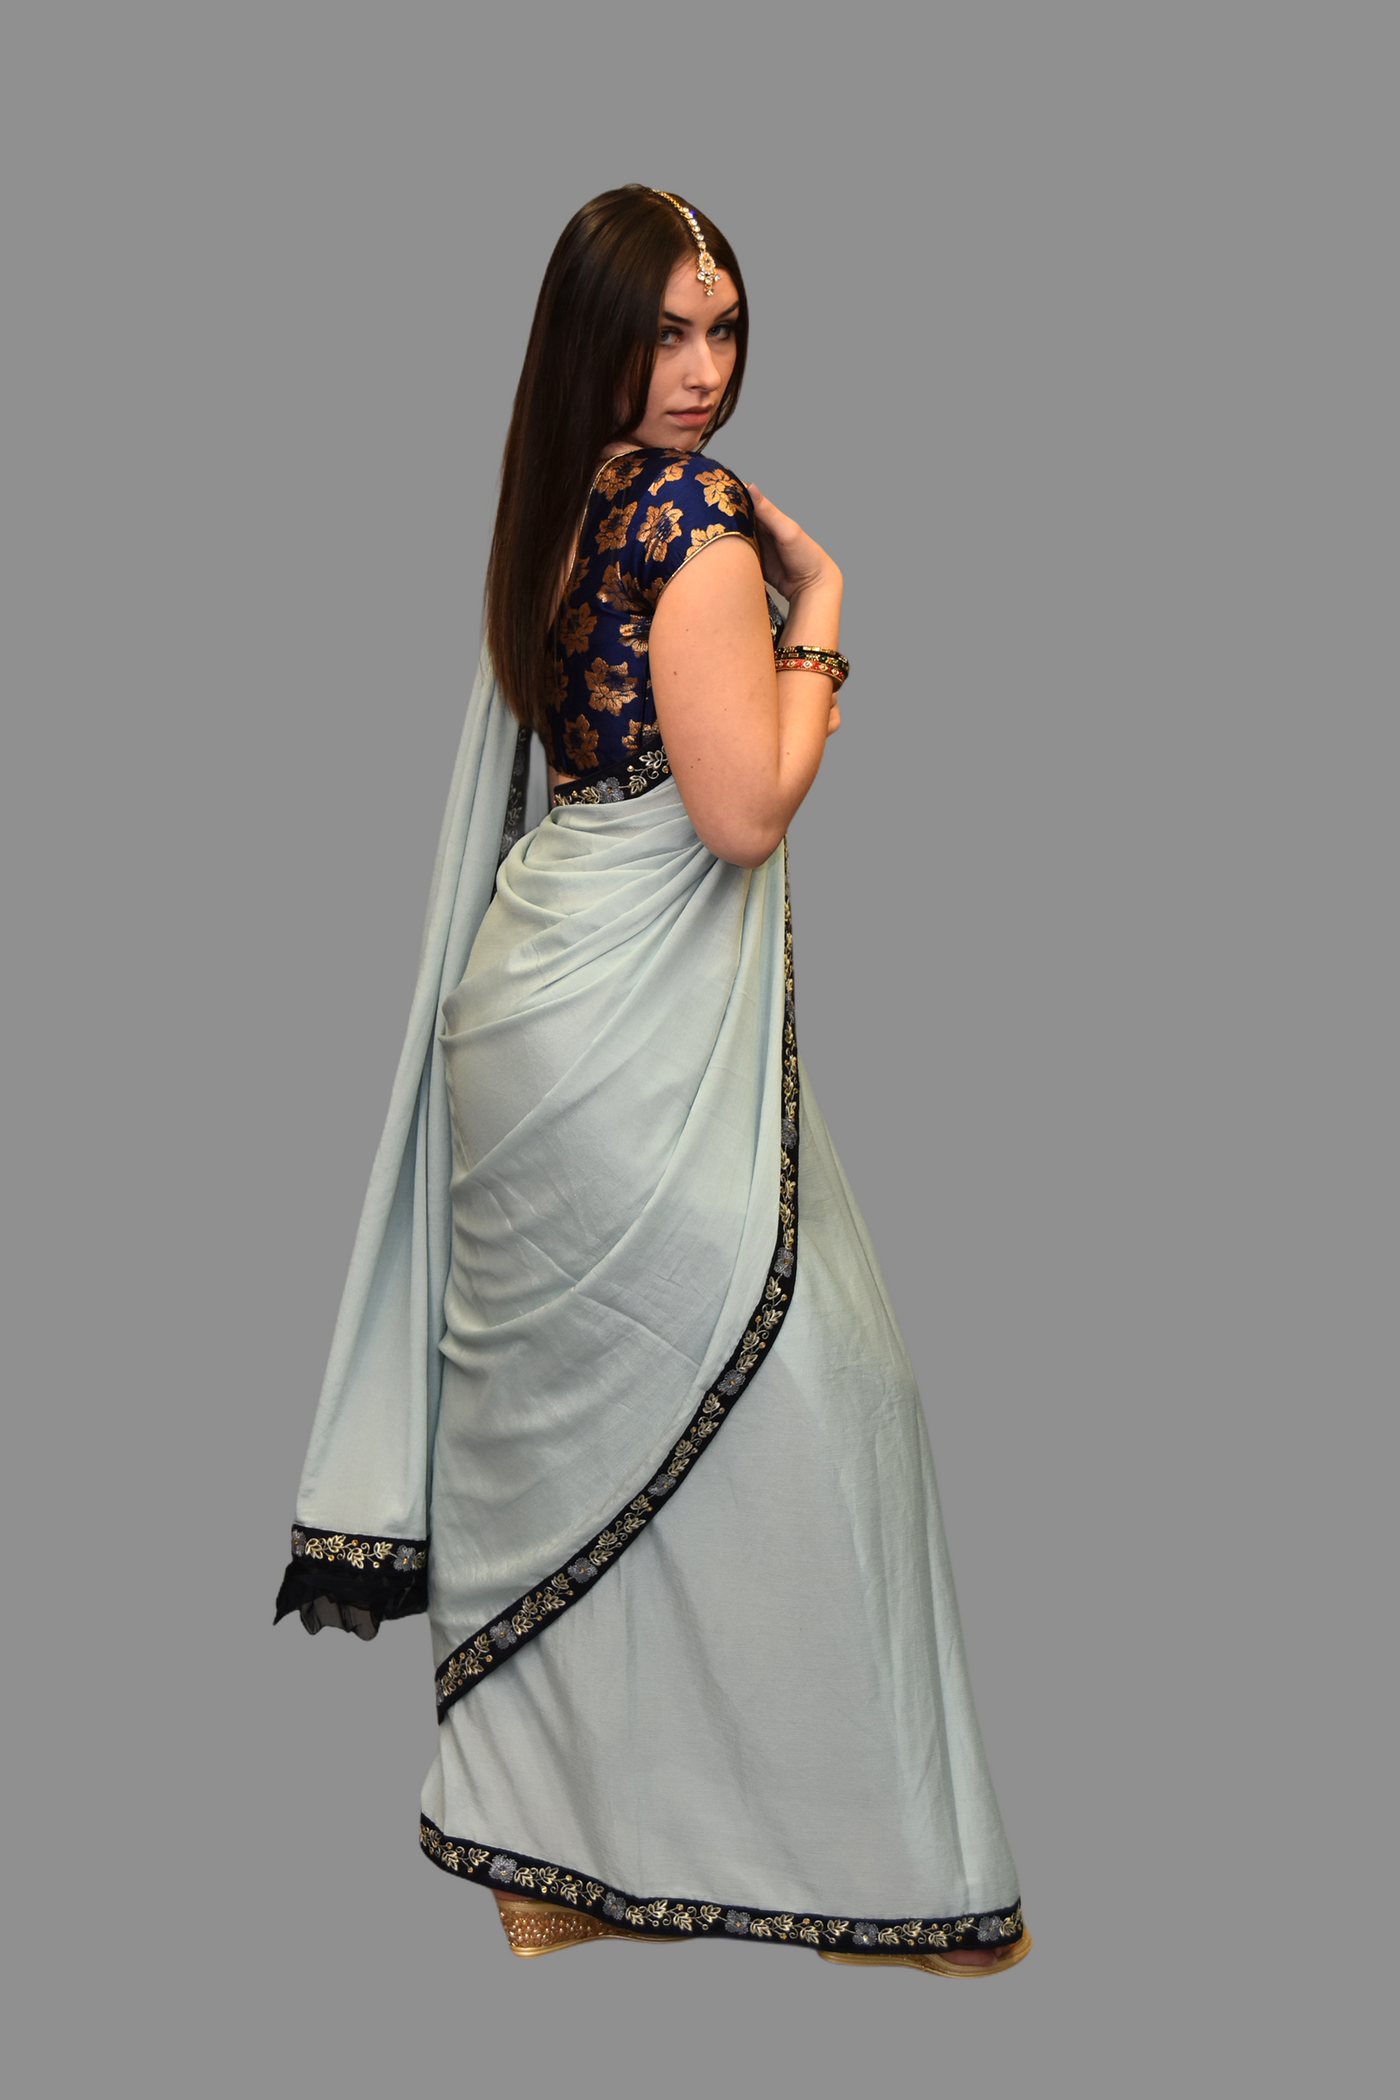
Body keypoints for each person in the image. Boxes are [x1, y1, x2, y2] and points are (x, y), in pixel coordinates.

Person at [276, 185, 1029, 1979]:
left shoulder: (556, 500)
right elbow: (742, 809)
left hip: (536, 994)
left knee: (574, 1431)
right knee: (821, 1400)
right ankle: (879, 1878)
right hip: (615, 1038)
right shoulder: (690, 517)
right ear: (595, 340)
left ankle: (550, 1856)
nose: (702, 371)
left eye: (725, 329)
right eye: (666, 334)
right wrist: (823, 612)